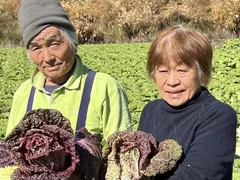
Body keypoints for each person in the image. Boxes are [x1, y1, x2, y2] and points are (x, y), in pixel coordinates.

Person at [0, 0, 131, 179]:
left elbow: (121, 159)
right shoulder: (24, 93)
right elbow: (11, 159)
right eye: (36, 48)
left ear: (71, 41)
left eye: (54, 44)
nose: (47, 57)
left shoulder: (104, 87)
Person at [138, 25, 237, 179]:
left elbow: (197, 175)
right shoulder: (150, 111)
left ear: (201, 72)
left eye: (182, 71)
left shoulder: (219, 116)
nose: (172, 81)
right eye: (163, 71)